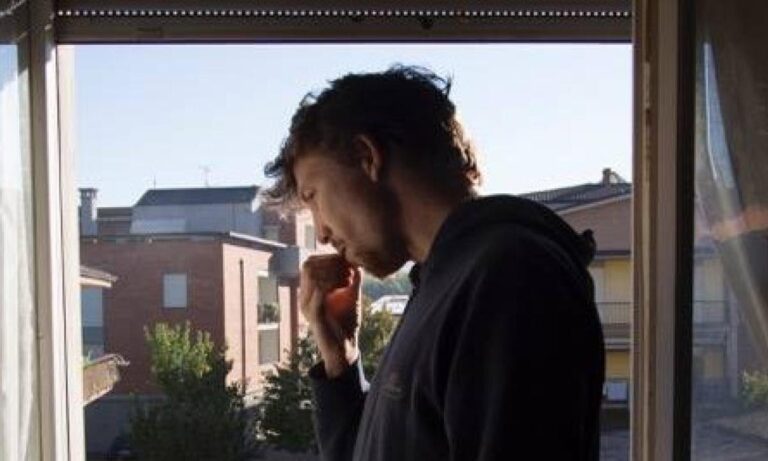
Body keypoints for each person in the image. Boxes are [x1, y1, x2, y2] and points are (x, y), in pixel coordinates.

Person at [263, 65, 605, 461]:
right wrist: (340, 357)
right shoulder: (446, 281)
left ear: (367, 156)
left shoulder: (510, 277)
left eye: (313, 196)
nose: (321, 232)